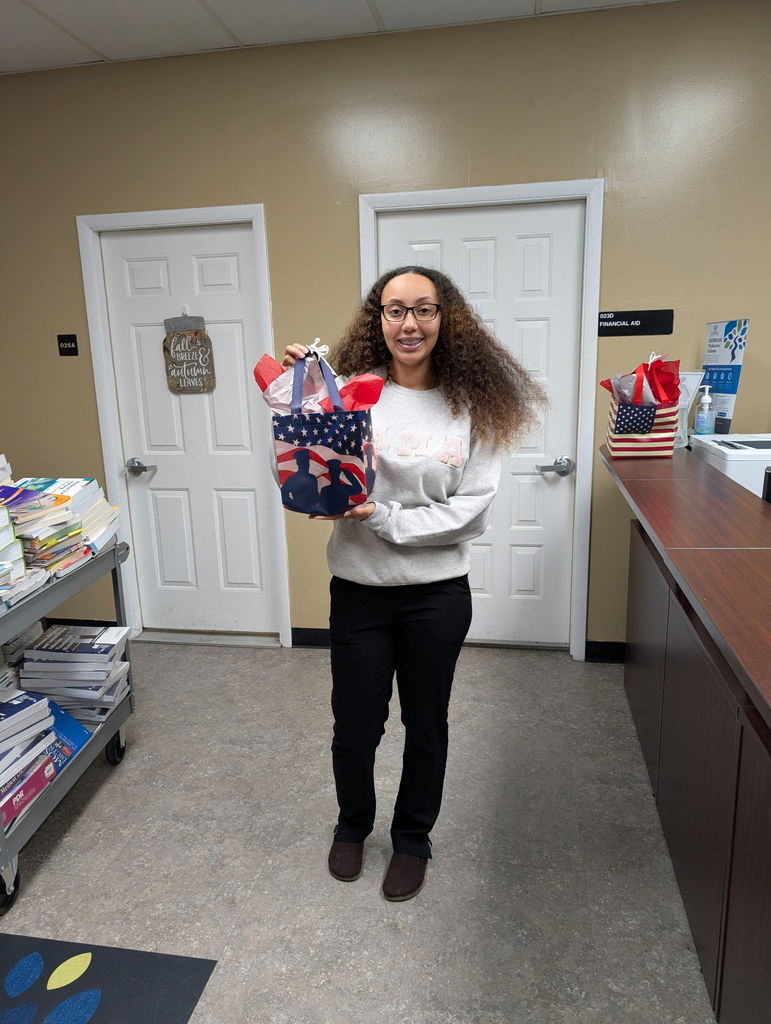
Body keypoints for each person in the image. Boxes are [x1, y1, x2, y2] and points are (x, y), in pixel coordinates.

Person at [282, 266, 546, 902]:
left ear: (444, 319)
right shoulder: (345, 392)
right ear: (378, 320)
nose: (410, 323)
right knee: (355, 724)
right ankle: (352, 824)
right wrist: (301, 385)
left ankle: (412, 839)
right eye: (396, 310)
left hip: (435, 595)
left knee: (426, 723)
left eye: (424, 310)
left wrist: (384, 518)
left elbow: (471, 511)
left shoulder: (472, 406)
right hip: (359, 588)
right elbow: (303, 455)